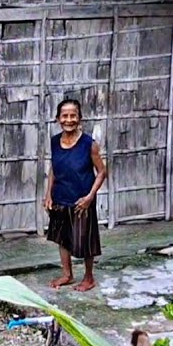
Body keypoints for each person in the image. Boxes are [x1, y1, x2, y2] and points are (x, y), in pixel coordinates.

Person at [43, 98, 108, 292]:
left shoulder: (89, 144)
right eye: (65, 116)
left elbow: (102, 172)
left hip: (82, 200)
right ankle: (67, 274)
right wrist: (48, 194)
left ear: (80, 118)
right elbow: (54, 168)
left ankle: (89, 278)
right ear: (58, 119)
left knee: (85, 239)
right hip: (60, 197)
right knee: (62, 238)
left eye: (73, 115)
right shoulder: (55, 142)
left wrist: (89, 197)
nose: (69, 119)